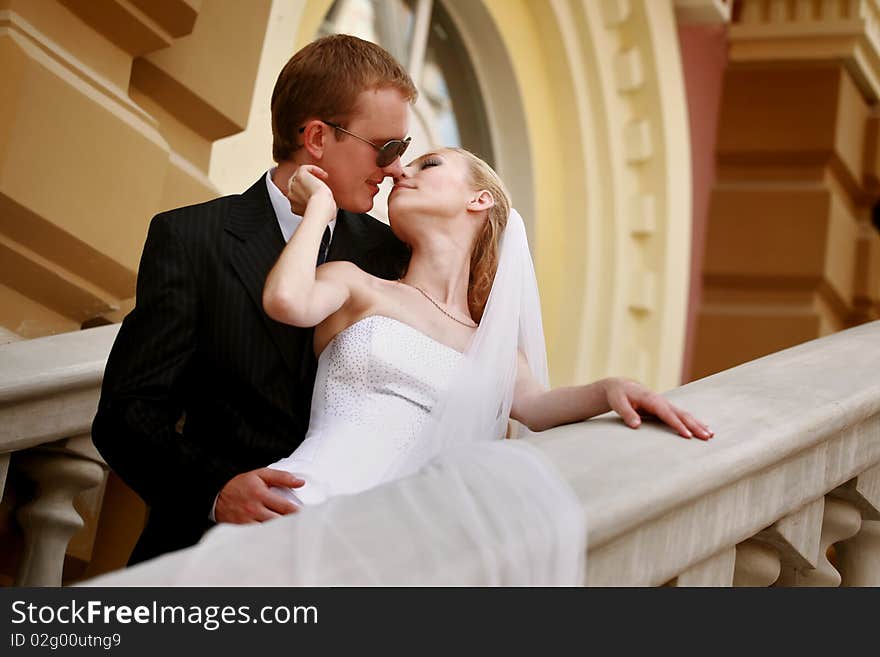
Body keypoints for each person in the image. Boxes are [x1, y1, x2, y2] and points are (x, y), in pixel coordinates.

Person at [91, 34, 416, 564]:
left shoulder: (391, 257)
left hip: (343, 562)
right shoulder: (191, 238)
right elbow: (126, 415)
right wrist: (217, 490)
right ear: (315, 137)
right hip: (202, 560)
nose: (397, 168)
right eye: (387, 148)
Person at [260, 147, 713, 508]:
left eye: (429, 164)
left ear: (479, 199)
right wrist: (320, 209)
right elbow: (286, 300)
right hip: (305, 506)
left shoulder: (493, 349)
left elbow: (539, 407)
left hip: (405, 546)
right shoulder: (355, 284)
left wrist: (611, 387)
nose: (400, 171)